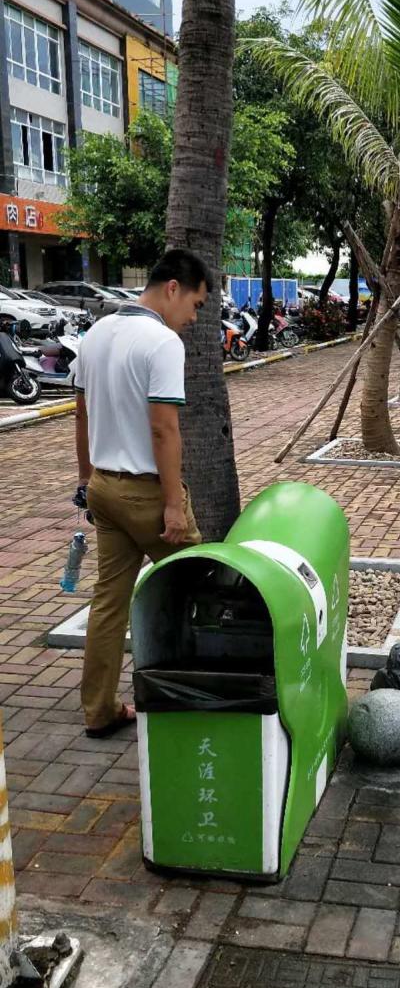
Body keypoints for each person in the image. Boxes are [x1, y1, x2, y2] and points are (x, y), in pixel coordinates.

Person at [73, 249, 210, 738]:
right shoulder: (161, 342)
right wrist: (173, 504)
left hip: (104, 488)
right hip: (147, 495)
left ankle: (99, 711)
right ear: (173, 287)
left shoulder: (96, 334)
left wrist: (87, 480)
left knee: (109, 603)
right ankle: (201, 701)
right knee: (203, 587)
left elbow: (82, 414)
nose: (193, 319)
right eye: (195, 305)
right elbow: (163, 429)